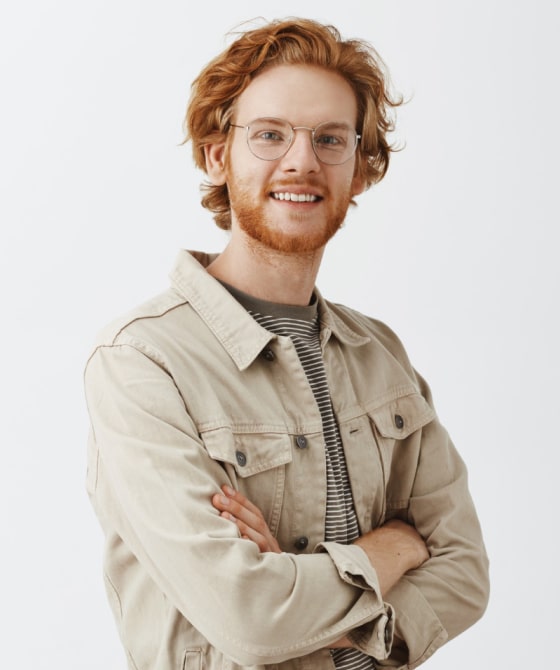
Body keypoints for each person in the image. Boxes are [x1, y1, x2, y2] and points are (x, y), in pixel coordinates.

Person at [84, 17, 490, 670]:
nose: (302, 161)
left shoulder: (380, 354)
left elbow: (465, 572)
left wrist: (301, 594)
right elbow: (249, 617)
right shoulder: (142, 362)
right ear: (218, 156)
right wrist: (393, 549)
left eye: (330, 139)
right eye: (270, 134)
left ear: (360, 170)